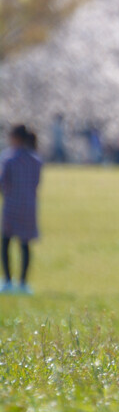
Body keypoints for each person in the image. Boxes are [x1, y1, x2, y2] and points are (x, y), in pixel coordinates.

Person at [1, 125, 43, 295]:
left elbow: (2, 181)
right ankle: (24, 283)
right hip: (29, 206)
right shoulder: (36, 159)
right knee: (25, 244)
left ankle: (9, 281)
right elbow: (37, 182)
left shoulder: (9, 158)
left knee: (6, 243)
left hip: (11, 205)